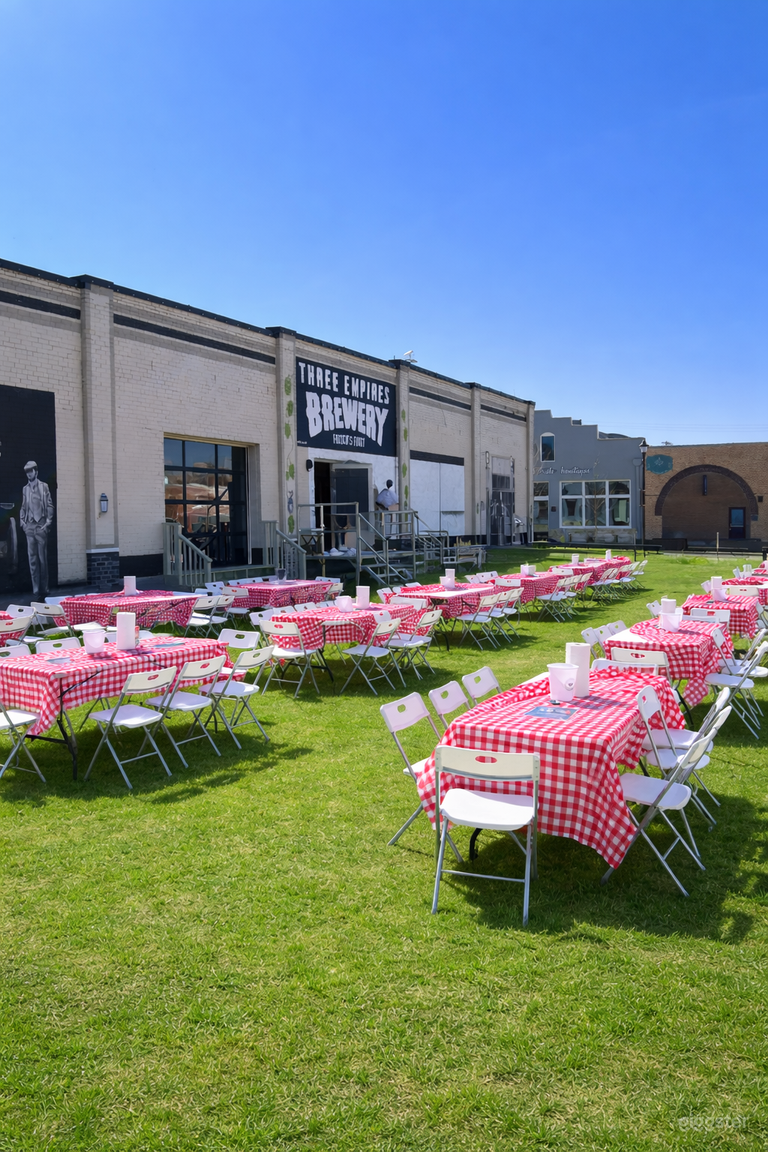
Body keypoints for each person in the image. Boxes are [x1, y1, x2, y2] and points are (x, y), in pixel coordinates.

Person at [20, 460, 54, 599]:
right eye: (27, 472)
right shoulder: (25, 489)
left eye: (31, 471)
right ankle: (35, 589)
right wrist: (22, 522)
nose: (29, 474)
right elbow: (23, 506)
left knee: (42, 560)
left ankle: (44, 588)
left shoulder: (44, 487)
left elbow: (50, 505)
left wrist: (48, 523)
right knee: (32, 559)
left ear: (36, 472)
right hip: (29, 527)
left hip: (41, 526)